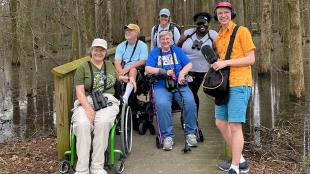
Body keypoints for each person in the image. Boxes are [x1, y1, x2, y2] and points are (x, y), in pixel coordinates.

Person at [212, 2, 256, 174]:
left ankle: (235, 167)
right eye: (220, 13)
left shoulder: (242, 31)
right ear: (217, 16)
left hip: (240, 83)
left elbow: (251, 58)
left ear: (231, 14)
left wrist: (227, 62)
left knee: (234, 125)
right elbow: (219, 60)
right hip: (222, 85)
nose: (223, 15)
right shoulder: (218, 37)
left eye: (226, 12)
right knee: (220, 122)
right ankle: (241, 159)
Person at [72, 38, 120, 174]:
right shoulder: (82, 68)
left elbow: (118, 78)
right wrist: (88, 109)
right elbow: (79, 91)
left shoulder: (109, 65)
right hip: (86, 100)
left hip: (108, 100)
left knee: (102, 122)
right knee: (82, 124)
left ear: (105, 52)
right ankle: (82, 169)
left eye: (102, 50)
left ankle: (97, 166)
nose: (99, 52)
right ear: (91, 51)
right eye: (96, 50)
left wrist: (131, 78)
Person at [145, 30, 198, 151]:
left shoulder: (178, 51)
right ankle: (167, 136)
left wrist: (182, 74)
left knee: (189, 101)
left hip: (179, 84)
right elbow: (148, 68)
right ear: (159, 40)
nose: (165, 41)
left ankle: (190, 133)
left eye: (167, 38)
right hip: (161, 84)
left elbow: (189, 65)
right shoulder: (155, 53)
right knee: (162, 104)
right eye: (162, 39)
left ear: (171, 40)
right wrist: (161, 71)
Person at [178, 12, 218, 116]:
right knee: (184, 92)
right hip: (183, 68)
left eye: (204, 23)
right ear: (196, 24)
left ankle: (191, 117)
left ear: (208, 24)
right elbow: (177, 47)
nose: (202, 26)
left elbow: (218, 51)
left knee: (191, 92)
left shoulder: (213, 35)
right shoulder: (188, 33)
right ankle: (187, 115)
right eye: (199, 23)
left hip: (200, 70)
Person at [114, 24, 148, 103]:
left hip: (137, 69)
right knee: (118, 74)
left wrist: (128, 68)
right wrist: (121, 71)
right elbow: (117, 61)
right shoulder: (120, 46)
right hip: (123, 69)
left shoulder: (143, 46)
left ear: (136, 33)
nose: (127, 32)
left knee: (133, 70)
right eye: (126, 30)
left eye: (130, 30)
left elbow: (143, 61)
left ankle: (126, 96)